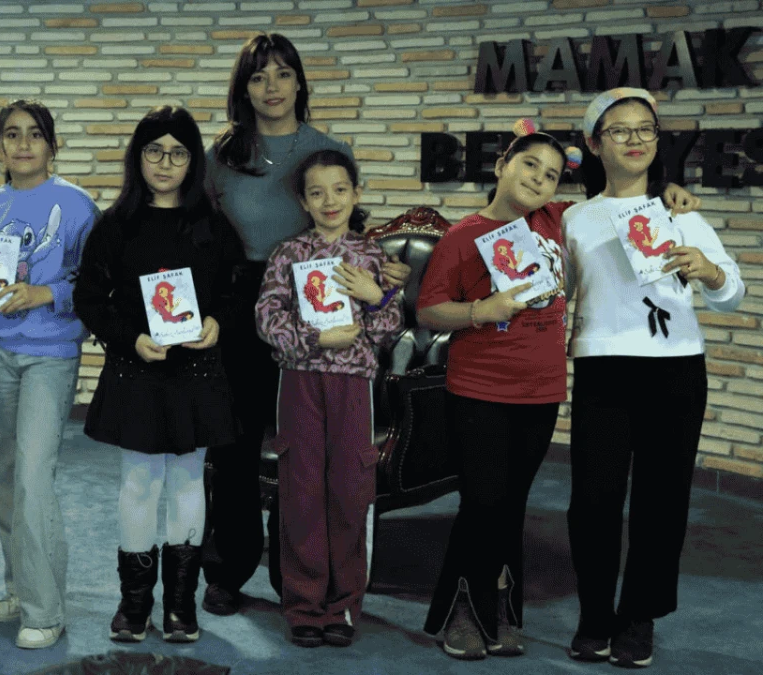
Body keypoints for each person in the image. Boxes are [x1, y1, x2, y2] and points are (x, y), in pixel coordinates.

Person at [203, 32, 409, 612]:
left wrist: (383, 275)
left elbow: (345, 224)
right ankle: (229, 566)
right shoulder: (223, 155)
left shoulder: (326, 146)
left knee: (302, 450)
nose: (272, 87)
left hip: (319, 301)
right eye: (258, 76)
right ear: (243, 88)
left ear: (300, 81)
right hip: (247, 300)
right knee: (237, 443)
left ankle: (298, 579)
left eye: (283, 73)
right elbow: (203, 235)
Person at [563, 88, 744, 669]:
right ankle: (595, 614)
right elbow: (557, 293)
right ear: (594, 144)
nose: (636, 139)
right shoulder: (574, 218)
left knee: (661, 502)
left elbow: (730, 295)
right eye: (620, 130)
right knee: (593, 499)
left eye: (647, 129)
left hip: (676, 370)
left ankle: (638, 618)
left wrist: (710, 270)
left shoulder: (681, 213)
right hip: (603, 368)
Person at [74, 106, 243, 644]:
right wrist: (130, 339)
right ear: (138, 157)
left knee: (190, 480)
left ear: (193, 161)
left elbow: (238, 293)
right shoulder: (114, 225)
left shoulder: (213, 226)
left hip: (196, 371)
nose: (165, 163)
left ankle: (180, 605)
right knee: (138, 482)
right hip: (136, 371)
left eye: (177, 152)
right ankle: (134, 604)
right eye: (154, 151)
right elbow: (88, 297)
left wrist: (217, 324)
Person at [417, 123, 582, 660]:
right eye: (529, 164)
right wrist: (479, 312)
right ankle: (463, 611)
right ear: (502, 165)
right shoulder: (462, 235)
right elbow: (428, 311)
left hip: (541, 390)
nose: (539, 178)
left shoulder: (554, 220)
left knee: (511, 505)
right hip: (481, 388)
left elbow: (611, 183)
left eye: (552, 174)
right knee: (483, 501)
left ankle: (502, 609)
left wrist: (670, 192)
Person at [255, 149, 402, 648]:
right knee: (300, 490)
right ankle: (303, 604)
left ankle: (342, 606)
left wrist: (374, 294)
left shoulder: (373, 257)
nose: (329, 200)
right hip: (298, 382)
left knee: (348, 489)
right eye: (317, 192)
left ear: (356, 193)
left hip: (352, 386)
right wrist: (318, 339)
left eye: (340, 189)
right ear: (303, 200)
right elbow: (267, 319)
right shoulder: (288, 254)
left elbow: (389, 330)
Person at [0, 100, 100, 650]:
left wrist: (47, 293)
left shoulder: (77, 205)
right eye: (11, 135)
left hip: (50, 353)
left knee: (32, 479)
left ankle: (47, 610)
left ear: (53, 145)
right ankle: (20, 589)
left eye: (35, 135)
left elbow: (96, 283)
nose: (23, 144)